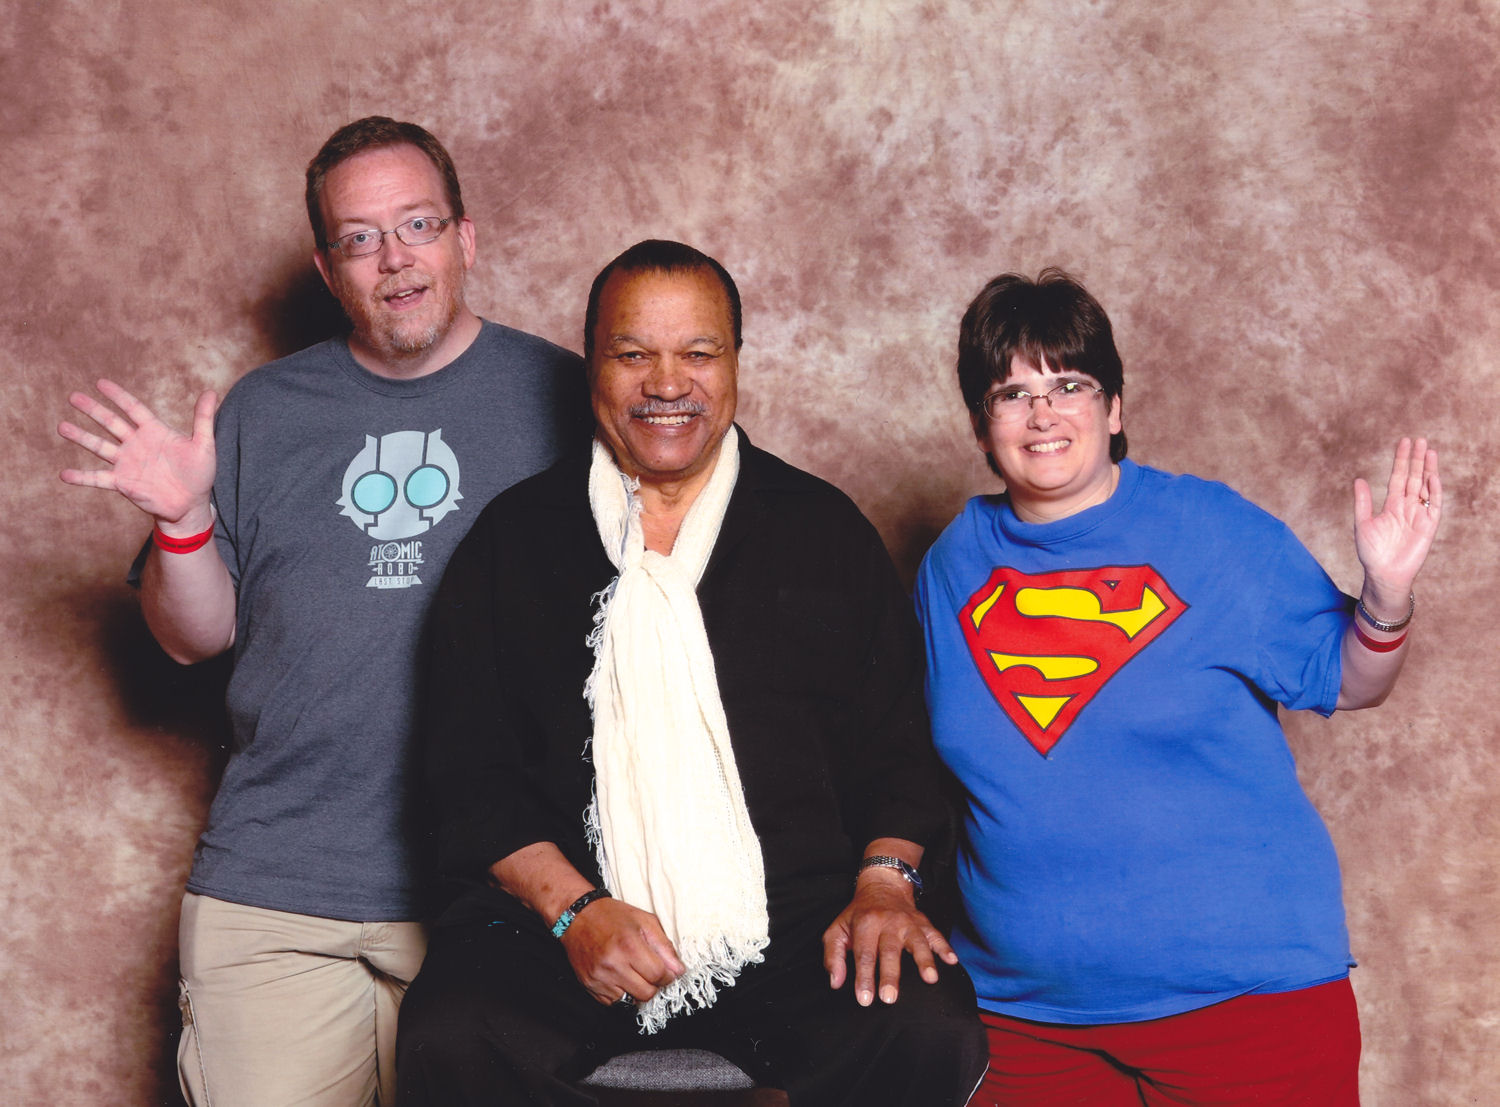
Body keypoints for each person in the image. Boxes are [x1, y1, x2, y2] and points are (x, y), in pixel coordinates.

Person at [56, 116, 590, 1107]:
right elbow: (191, 637)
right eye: (359, 238)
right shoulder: (262, 412)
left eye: (418, 224)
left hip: (497, 896)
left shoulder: (569, 399)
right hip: (277, 897)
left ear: (466, 238)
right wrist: (181, 522)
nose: (395, 258)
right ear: (328, 269)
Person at [395, 240, 988, 1106]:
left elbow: (898, 756)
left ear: (735, 361)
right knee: (451, 1032)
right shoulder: (512, 540)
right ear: (592, 364)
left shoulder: (823, 531)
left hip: (793, 926)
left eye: (698, 353)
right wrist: (575, 913)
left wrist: (883, 889)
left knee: (925, 1023)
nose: (666, 383)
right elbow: (468, 777)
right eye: (633, 354)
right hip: (564, 922)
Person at [914, 268, 1442, 1105]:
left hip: (1245, 1002)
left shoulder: (1213, 531)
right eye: (1012, 394)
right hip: (1025, 1015)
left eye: (1069, 385)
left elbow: (1348, 678)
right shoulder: (951, 565)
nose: (1043, 413)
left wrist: (1387, 594)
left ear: (1115, 409)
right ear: (983, 426)